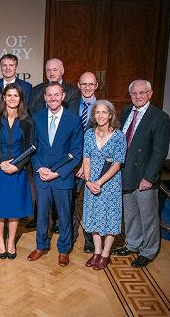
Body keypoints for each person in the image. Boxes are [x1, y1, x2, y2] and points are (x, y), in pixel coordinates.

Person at [112, 79, 170, 268]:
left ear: (150, 94)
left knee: (148, 216)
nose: (138, 96)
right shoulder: (127, 111)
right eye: (134, 93)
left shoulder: (159, 117)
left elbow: (160, 152)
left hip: (144, 175)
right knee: (130, 214)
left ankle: (148, 251)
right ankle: (133, 243)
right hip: (125, 172)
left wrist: (149, 177)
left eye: (142, 93)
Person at [27, 82, 83, 267]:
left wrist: (57, 173)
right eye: (49, 95)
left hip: (63, 177)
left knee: (65, 214)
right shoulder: (37, 117)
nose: (52, 98)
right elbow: (32, 147)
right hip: (42, 174)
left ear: (63, 96)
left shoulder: (73, 120)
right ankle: (41, 246)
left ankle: (64, 249)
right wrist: (38, 167)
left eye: (56, 95)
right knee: (42, 214)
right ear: (44, 97)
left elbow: (76, 152)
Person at [0, 84, 34, 259]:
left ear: (21, 99)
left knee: (13, 209)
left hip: (17, 172)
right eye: (9, 95)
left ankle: (11, 241)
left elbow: (31, 148)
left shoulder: (27, 121)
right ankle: (0, 240)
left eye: (16, 96)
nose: (12, 98)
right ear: (3, 97)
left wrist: (17, 166)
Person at [82, 100, 126, 270]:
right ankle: (97, 251)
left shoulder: (119, 136)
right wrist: (88, 181)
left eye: (104, 112)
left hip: (110, 184)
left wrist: (99, 182)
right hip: (91, 182)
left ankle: (106, 254)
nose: (100, 116)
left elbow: (117, 164)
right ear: (93, 116)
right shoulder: (88, 134)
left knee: (110, 217)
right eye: (97, 112)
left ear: (110, 115)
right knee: (93, 216)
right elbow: (86, 158)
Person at [75, 72, 99, 253]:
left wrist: (87, 165)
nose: (87, 87)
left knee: (91, 202)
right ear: (78, 85)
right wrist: (79, 164)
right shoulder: (70, 104)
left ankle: (90, 238)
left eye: (91, 84)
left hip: (95, 164)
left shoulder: (103, 108)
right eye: (84, 84)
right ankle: (72, 233)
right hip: (74, 162)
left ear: (96, 85)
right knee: (73, 200)